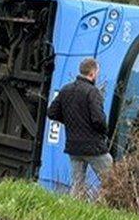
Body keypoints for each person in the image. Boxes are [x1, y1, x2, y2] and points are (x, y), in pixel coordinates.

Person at [47, 58, 113, 197]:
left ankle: (72, 212)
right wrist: (104, 133)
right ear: (93, 73)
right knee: (111, 181)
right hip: (93, 147)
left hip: (73, 146)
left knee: (77, 184)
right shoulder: (92, 92)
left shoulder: (66, 90)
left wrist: (71, 122)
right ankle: (110, 209)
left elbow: (51, 113)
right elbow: (98, 120)